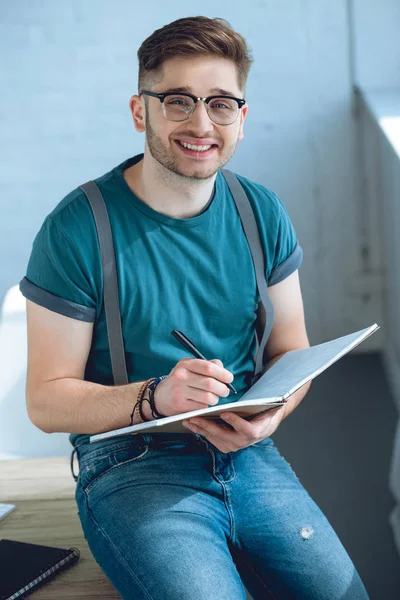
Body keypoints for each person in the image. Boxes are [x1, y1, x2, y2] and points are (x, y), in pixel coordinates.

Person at [20, 15, 370, 600]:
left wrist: (272, 416)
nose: (201, 124)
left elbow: (291, 350)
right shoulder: (78, 228)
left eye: (221, 104)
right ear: (140, 112)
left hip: (247, 449)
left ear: (242, 118)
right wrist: (157, 396)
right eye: (178, 101)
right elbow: (46, 400)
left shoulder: (261, 212)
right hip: (131, 463)